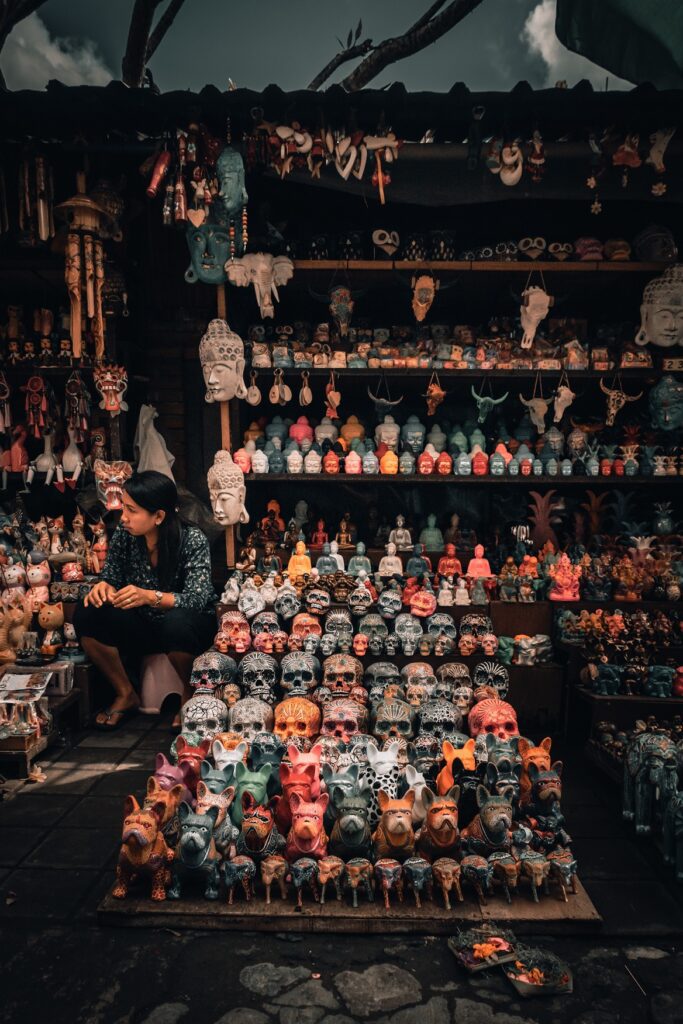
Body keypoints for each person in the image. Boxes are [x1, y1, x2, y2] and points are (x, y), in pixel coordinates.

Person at [74, 471, 216, 730]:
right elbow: (111, 577)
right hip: (144, 627)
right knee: (87, 613)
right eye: (124, 508)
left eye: (132, 510)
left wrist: (150, 597)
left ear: (159, 516)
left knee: (177, 622)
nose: (124, 517)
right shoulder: (125, 536)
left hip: (187, 632)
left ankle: (190, 692)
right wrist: (103, 587)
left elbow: (197, 599)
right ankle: (125, 692)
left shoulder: (191, 539)